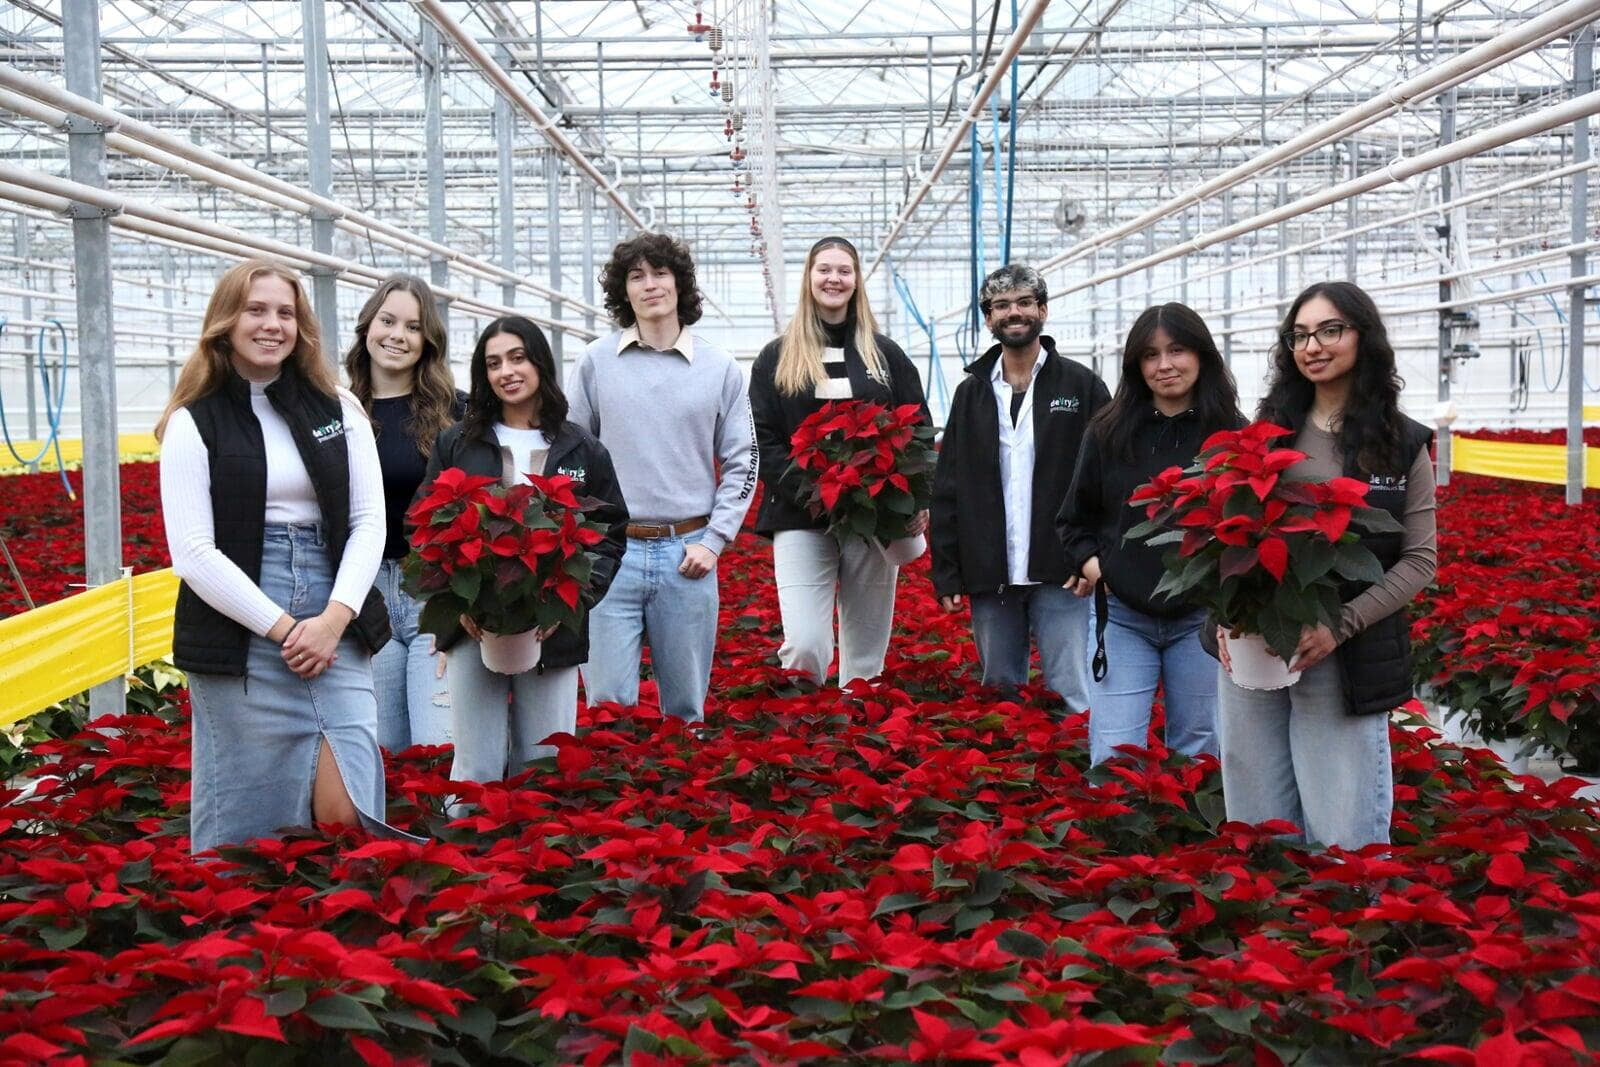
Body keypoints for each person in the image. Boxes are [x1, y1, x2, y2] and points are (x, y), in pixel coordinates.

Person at [156, 258, 414, 853]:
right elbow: (194, 554)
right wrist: (283, 629)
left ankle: (342, 933)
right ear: (226, 320)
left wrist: (331, 620)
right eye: (256, 310)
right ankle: (249, 936)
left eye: (285, 313)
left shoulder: (338, 408)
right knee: (248, 816)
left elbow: (368, 520)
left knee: (345, 810)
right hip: (242, 625)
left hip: (334, 613)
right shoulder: (195, 422)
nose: (272, 324)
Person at [1216, 281, 1436, 850]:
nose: (1313, 345)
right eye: (1300, 334)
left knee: (1346, 821)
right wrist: (1221, 618)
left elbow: (1418, 560)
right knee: (1257, 813)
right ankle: (1275, 926)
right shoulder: (1263, 438)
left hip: (1346, 651)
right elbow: (1223, 540)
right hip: (1255, 643)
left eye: (1330, 330)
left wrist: (1340, 625)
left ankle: (1348, 931)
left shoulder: (1400, 443)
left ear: (1364, 337)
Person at [418, 316, 628, 794]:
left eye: (517, 358)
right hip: (473, 625)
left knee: (545, 760)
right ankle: (469, 855)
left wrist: (571, 602)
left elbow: (610, 531)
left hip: (551, 625)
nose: (507, 372)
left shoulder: (581, 447)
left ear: (539, 362)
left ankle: (539, 863)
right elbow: (427, 526)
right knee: (476, 763)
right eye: (493, 363)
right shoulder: (458, 442)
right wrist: (460, 608)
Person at [569, 233, 758, 722]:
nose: (650, 285)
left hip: (688, 553)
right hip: (611, 554)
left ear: (679, 283)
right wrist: (579, 542)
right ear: (624, 292)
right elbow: (569, 457)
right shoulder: (595, 362)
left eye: (659, 273)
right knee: (607, 705)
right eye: (636, 277)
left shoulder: (719, 368)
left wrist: (715, 541)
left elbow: (744, 458)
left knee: (686, 710)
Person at [1058, 303, 1244, 765]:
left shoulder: (1232, 434)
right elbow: (1073, 519)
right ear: (1136, 367)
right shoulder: (1108, 432)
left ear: (1201, 355)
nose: (1164, 365)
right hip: (1123, 617)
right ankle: (1119, 837)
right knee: (1116, 749)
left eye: (1177, 350)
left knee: (1199, 747)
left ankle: (1193, 837)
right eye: (1150, 355)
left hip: (1202, 620)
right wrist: (1098, 568)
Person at [748, 236, 930, 686]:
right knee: (806, 641)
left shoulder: (885, 355)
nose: (834, 278)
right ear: (809, 279)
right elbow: (763, 439)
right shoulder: (777, 356)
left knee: (866, 648)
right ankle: (805, 724)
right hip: (799, 515)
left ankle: (854, 729)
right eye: (824, 269)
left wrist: (917, 500)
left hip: (874, 517)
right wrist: (818, 495)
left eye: (844, 270)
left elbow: (920, 429)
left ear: (856, 280)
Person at [931, 264, 1109, 710]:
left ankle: (1076, 774)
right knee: (999, 691)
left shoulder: (1080, 385)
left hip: (1062, 570)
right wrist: (948, 571)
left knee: (1072, 691)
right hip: (991, 570)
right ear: (988, 319)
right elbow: (948, 485)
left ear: (1043, 310)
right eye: (1002, 305)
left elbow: (1109, 479)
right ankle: (1009, 771)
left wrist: (1089, 554)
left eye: (1025, 302)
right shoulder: (971, 394)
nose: (1015, 312)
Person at [343, 273, 463, 752]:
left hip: (433, 596)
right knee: (383, 752)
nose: (397, 335)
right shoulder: (338, 409)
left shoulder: (457, 413)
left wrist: (465, 609)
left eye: (413, 327)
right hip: (363, 594)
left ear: (428, 341)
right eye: (387, 321)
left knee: (439, 751)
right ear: (367, 326)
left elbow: (483, 511)